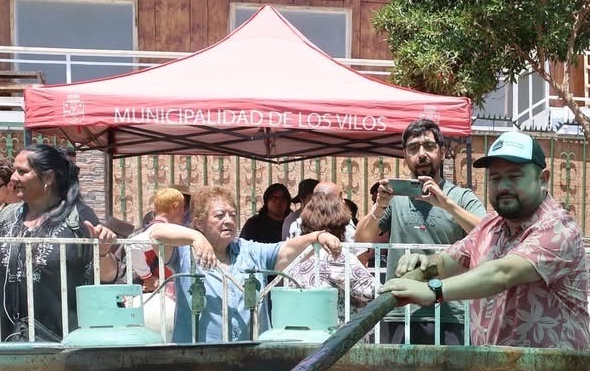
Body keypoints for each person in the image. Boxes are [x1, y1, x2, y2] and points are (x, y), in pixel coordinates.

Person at [381, 131, 589, 350]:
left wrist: (433, 291)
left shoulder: (558, 227)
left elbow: (502, 273)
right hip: (495, 366)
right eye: (495, 178)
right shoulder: (491, 226)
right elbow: (446, 261)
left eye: (514, 177)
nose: (503, 187)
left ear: (543, 179)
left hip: (552, 369)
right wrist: (423, 263)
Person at [143, 184, 344, 344]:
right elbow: (155, 233)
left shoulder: (248, 250)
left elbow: (285, 250)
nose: (228, 221)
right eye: (220, 215)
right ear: (199, 222)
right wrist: (195, 237)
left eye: (232, 215)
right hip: (199, 359)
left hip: (250, 359)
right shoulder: (184, 252)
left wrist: (317, 236)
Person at [0, 144, 120, 343]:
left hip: (65, 344)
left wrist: (103, 252)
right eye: (14, 170)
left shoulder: (79, 217)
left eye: (22, 171)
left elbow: (107, 276)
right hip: (12, 342)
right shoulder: (9, 216)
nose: (13, 177)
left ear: (48, 177)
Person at [355, 118, 484, 345]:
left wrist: (447, 205)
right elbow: (361, 239)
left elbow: (487, 233)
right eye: (413, 148)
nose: (422, 154)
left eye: (429, 146)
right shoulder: (395, 200)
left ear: (442, 152)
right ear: (405, 155)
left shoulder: (461, 197)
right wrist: (379, 206)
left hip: (450, 311)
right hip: (400, 310)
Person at [281, 190, 376, 310]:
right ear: (340, 223)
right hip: (335, 321)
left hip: (301, 318)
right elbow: (372, 291)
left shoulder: (298, 253)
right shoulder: (336, 256)